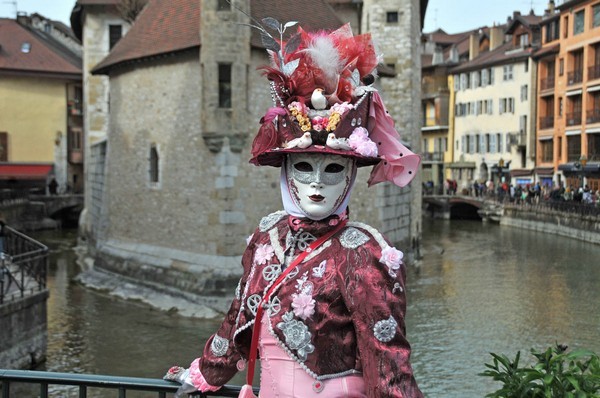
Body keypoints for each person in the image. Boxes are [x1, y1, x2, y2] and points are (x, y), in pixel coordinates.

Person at [165, 22, 423, 398]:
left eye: (333, 169)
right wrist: (205, 374)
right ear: (286, 174)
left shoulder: (365, 254)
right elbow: (240, 316)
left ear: (350, 176)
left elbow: (388, 363)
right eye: (303, 167)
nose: (317, 183)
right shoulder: (267, 237)